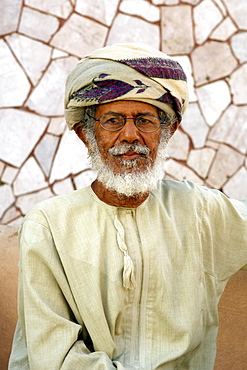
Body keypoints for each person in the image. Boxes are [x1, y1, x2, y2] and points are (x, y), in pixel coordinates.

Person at [9, 43, 247, 370]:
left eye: (145, 120)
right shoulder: (49, 225)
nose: (130, 135)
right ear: (86, 133)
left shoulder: (199, 210)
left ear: (168, 131)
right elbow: (56, 358)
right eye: (113, 120)